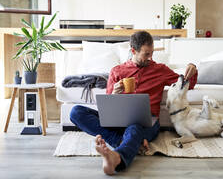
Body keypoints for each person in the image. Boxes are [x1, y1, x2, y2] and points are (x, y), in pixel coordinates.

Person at [70, 31, 198, 175]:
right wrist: (113, 94)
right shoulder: (117, 71)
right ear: (133, 51)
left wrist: (192, 68)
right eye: (146, 54)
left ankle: (117, 158)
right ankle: (121, 141)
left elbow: (187, 84)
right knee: (76, 112)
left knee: (134, 128)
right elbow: (107, 106)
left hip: (146, 123)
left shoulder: (160, 70)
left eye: (151, 53)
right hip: (118, 121)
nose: (150, 57)